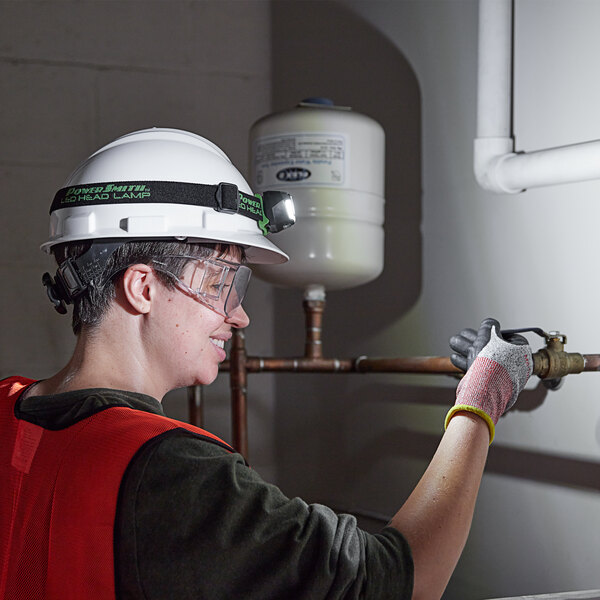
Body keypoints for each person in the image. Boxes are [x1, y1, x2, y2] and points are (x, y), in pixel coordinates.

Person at [0, 127, 532, 600]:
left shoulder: (8, 409)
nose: (240, 314)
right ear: (141, 287)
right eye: (219, 282)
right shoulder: (170, 471)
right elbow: (399, 581)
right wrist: (482, 396)